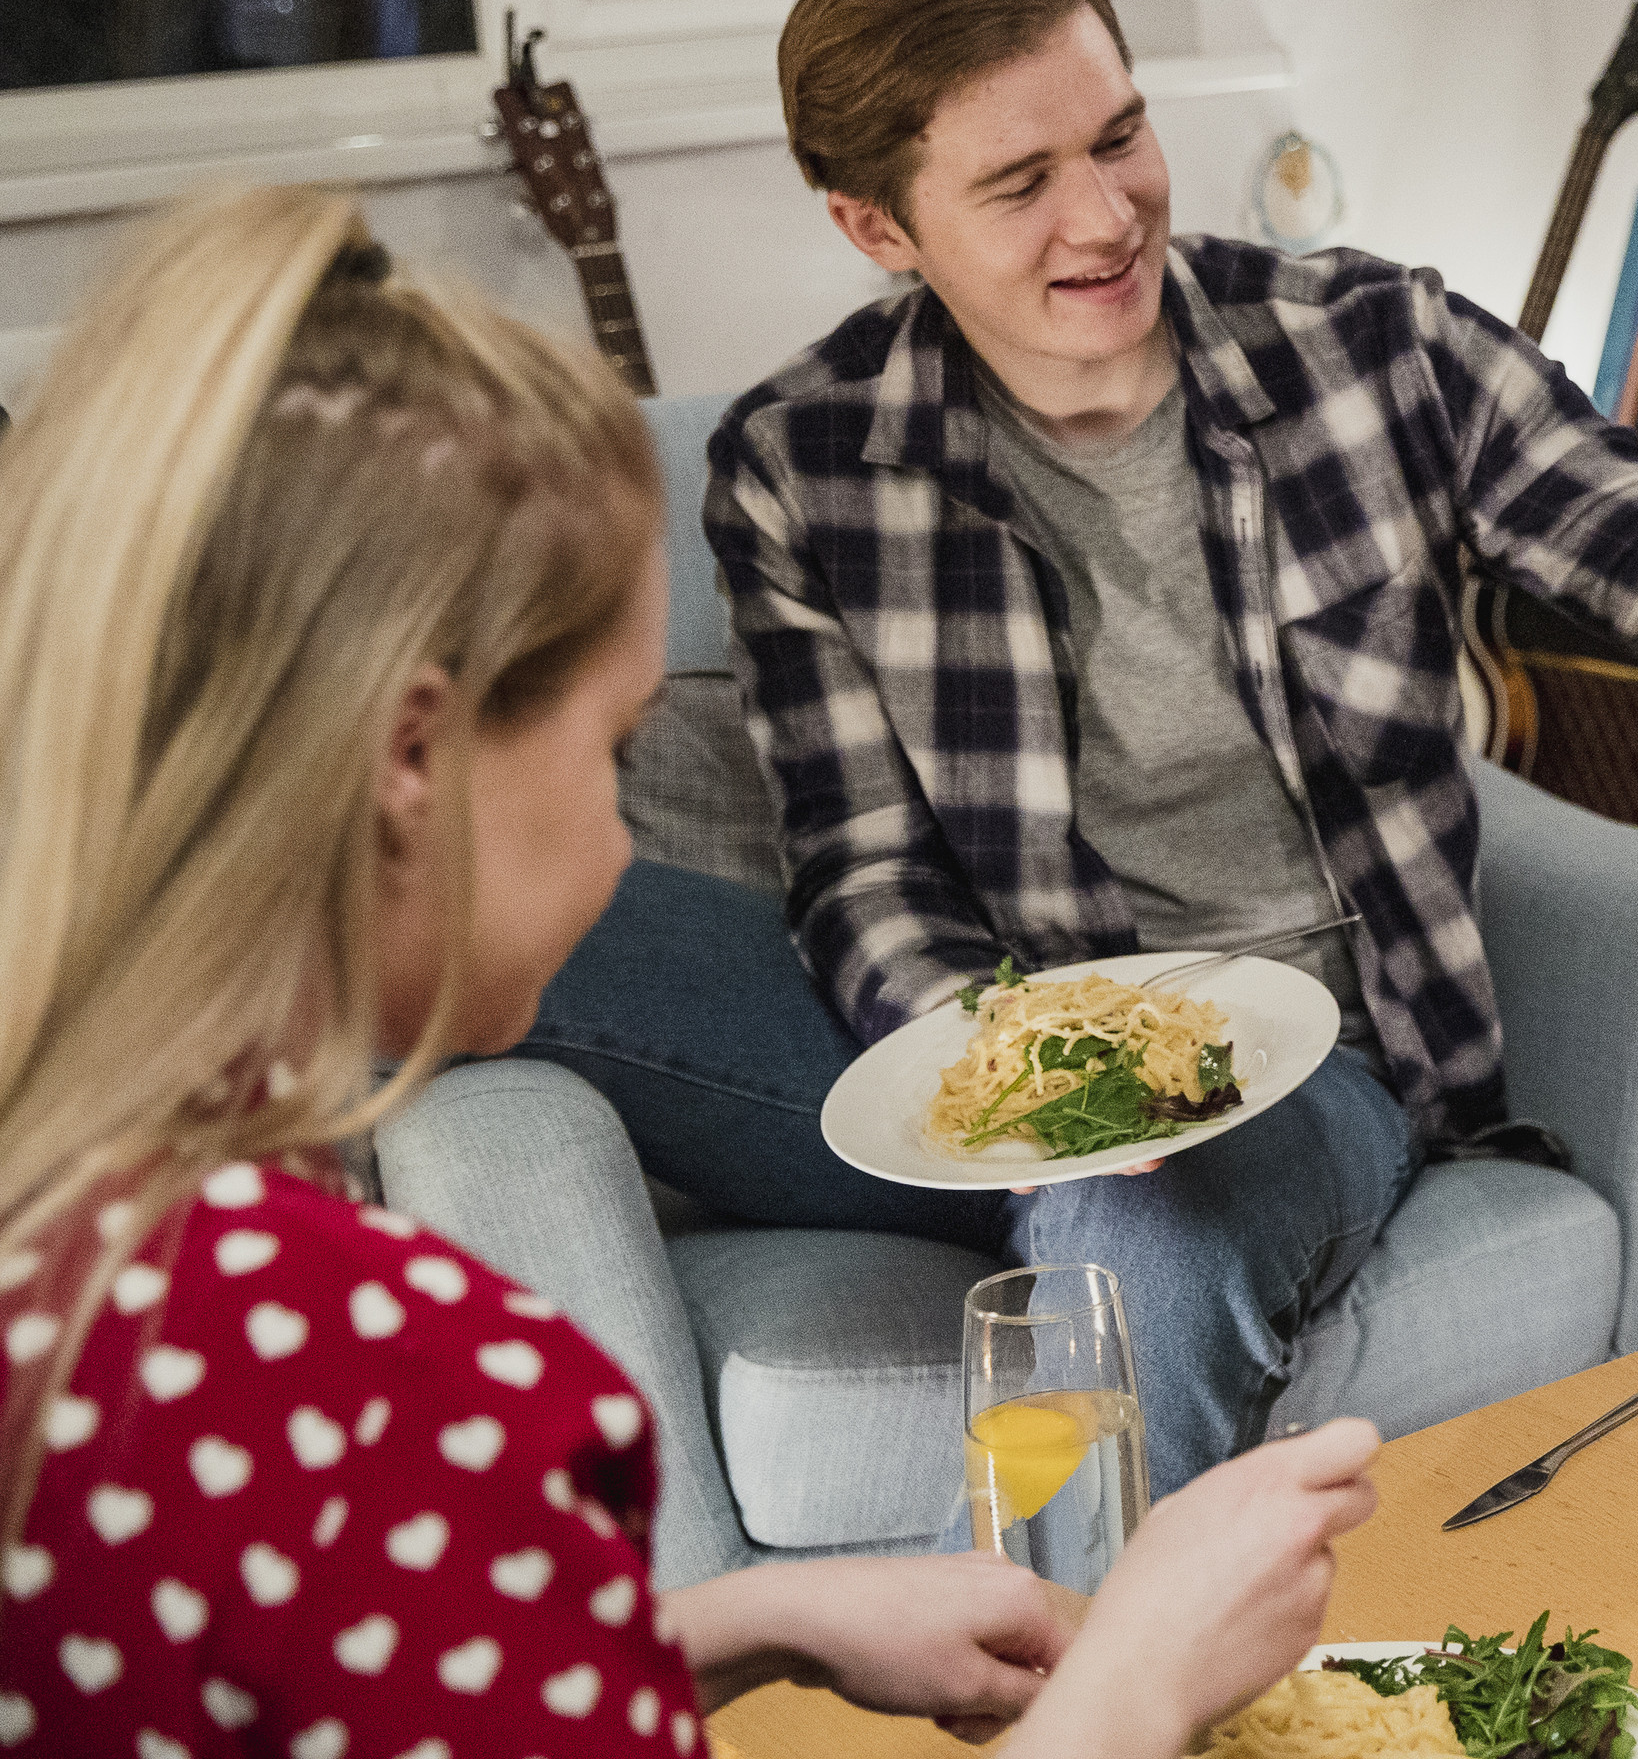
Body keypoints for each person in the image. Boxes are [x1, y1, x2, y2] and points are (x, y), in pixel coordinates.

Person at [522, 0, 1638, 1498]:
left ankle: (1109, 1705)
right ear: (876, 228)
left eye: (1120, 138)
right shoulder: (803, 461)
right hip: (983, 1044)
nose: (1104, 216)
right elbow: (863, 866)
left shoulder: (1372, 347)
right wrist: (1020, 1078)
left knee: (1122, 1235)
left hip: (1295, 1073)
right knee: (475, 913)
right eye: (1021, 184)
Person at [0, 189, 1379, 1759]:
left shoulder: (81, 1244)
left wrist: (734, 1624)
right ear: (411, 758)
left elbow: (325, 1690)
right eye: (613, 748)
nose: (615, 848)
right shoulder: (412, 1376)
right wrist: (1144, 1671)